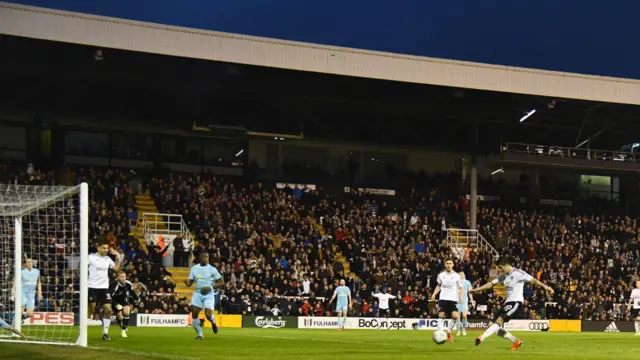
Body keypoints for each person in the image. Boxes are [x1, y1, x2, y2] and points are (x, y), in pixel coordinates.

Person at [469, 257, 554, 351]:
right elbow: (490, 284)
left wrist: (546, 287)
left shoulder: (519, 273)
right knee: (491, 324)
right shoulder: (503, 276)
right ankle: (515, 340)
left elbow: (533, 280)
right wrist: (475, 290)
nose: (500, 270)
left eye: (501, 267)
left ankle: (482, 337)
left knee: (499, 321)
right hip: (507, 303)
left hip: (516, 303)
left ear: (507, 265)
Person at [185, 253, 224, 340]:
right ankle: (200, 335)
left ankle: (213, 322)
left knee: (208, 315)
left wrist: (210, 287)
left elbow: (221, 282)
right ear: (200, 258)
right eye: (204, 257)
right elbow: (190, 283)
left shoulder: (212, 269)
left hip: (208, 294)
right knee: (194, 313)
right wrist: (187, 283)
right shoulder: (194, 269)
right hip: (197, 294)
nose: (206, 259)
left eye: (207, 257)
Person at [88, 237, 121, 341]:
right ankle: (86, 324)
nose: (106, 250)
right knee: (92, 308)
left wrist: (118, 256)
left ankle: (105, 333)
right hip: (92, 286)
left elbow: (116, 269)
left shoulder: (107, 259)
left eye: (107, 248)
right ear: (98, 248)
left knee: (108, 310)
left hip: (104, 288)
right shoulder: (90, 257)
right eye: (104, 248)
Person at [430, 258, 462, 343]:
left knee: (455, 316)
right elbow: (438, 286)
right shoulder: (441, 275)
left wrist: (461, 297)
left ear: (453, 265)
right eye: (447, 263)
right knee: (441, 315)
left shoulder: (457, 276)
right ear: (445, 264)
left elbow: (460, 287)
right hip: (443, 298)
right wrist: (434, 294)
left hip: (453, 299)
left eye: (450, 263)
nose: (448, 265)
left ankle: (448, 332)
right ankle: (440, 333)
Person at [109, 270, 140, 338]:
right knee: (119, 317)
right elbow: (109, 296)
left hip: (124, 299)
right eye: (121, 277)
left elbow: (132, 292)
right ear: (117, 277)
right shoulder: (114, 284)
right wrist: (116, 304)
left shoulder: (128, 284)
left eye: (124, 276)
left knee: (127, 310)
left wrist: (137, 298)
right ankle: (123, 325)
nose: (123, 278)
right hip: (114, 301)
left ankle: (123, 330)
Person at [21, 258, 42, 323]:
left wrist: (39, 293)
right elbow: (16, 282)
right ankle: (12, 330)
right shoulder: (22, 272)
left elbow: (39, 282)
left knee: (30, 314)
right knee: (19, 313)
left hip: (31, 295)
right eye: (28, 262)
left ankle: (21, 318)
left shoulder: (37, 271)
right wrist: (14, 291)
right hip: (22, 294)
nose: (30, 263)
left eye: (31, 262)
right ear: (25, 264)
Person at [456, 271, 473, 336]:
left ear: (464, 275)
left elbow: (470, 292)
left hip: (465, 301)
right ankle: (458, 331)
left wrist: (472, 300)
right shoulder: (456, 282)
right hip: (457, 300)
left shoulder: (468, 282)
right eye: (459, 274)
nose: (461, 275)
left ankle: (464, 329)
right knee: (458, 316)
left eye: (462, 274)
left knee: (464, 316)